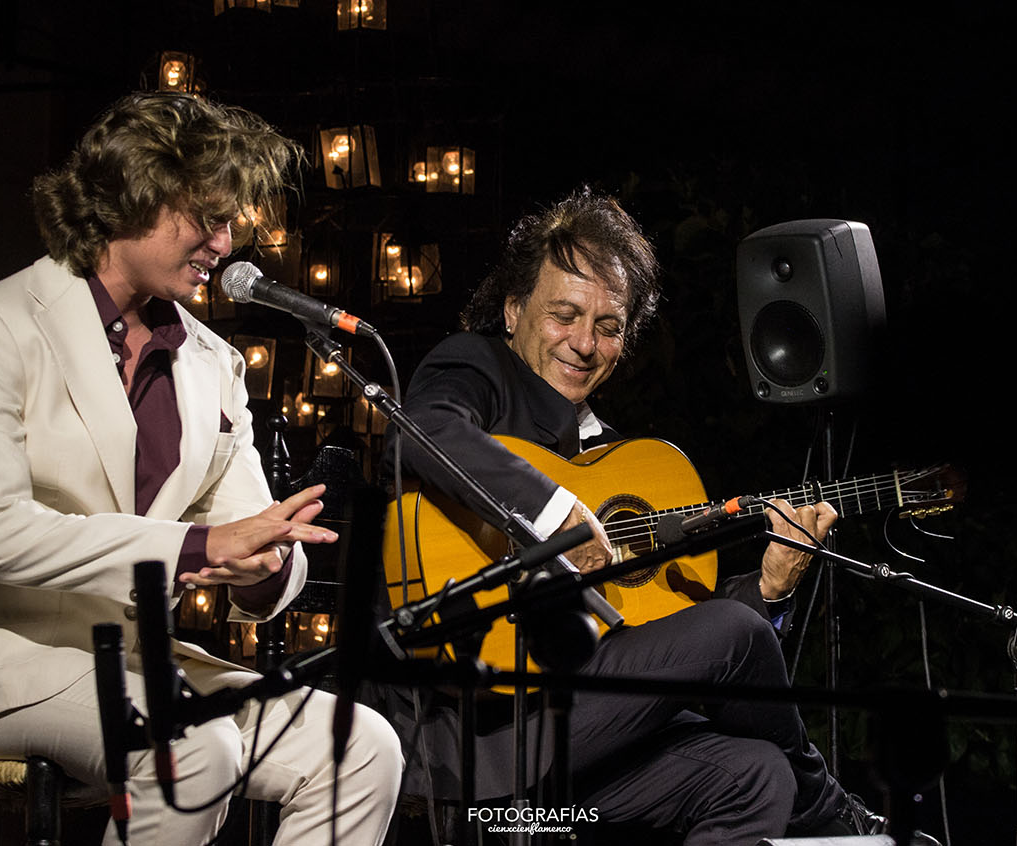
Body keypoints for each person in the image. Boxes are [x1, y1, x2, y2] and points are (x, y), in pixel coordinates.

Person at [0, 92, 402, 846]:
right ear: (137, 191)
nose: (226, 245)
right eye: (211, 218)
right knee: (191, 751)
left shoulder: (214, 363)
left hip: (138, 665)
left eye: (231, 223)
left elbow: (253, 540)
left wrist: (263, 565)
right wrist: (201, 549)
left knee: (362, 746)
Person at [385, 187, 912, 845]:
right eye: (564, 314)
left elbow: (669, 629)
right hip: (478, 752)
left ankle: (809, 798)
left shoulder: (617, 462)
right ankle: (834, 816)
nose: (584, 343)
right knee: (737, 633)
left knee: (755, 773)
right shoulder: (477, 369)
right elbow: (423, 428)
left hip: (582, 755)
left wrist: (771, 587)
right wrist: (556, 514)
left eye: (608, 327)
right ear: (514, 310)